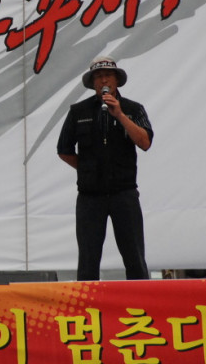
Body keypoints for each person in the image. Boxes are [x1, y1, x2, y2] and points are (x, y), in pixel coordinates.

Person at [57, 56, 153, 280]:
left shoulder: (133, 109)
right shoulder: (78, 111)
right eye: (98, 77)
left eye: (108, 75)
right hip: (90, 197)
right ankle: (88, 302)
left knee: (134, 257)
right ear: (92, 83)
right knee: (88, 260)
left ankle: (140, 299)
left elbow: (145, 142)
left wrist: (119, 115)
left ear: (117, 80)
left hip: (124, 194)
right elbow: (63, 150)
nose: (103, 81)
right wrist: (88, 170)